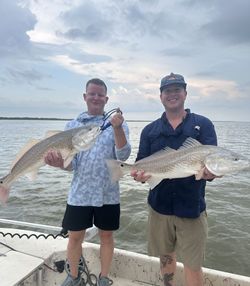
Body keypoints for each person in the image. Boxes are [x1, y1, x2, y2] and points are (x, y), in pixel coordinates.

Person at [131, 73, 218, 286]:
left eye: (177, 90)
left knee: (193, 264)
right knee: (166, 258)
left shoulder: (203, 125)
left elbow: (214, 165)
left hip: (192, 209)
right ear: (161, 96)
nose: (173, 94)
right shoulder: (149, 130)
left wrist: (212, 173)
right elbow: (140, 163)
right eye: (168, 91)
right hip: (159, 207)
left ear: (185, 94)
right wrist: (139, 176)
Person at [44, 78, 131, 286]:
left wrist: (118, 129)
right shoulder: (72, 126)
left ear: (106, 99)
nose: (96, 97)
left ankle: (104, 277)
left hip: (108, 193)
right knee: (74, 237)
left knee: (107, 237)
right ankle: (73, 276)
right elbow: (71, 164)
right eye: (92, 93)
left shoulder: (117, 124)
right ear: (85, 97)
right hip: (80, 193)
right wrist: (58, 164)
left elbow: (124, 155)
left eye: (100, 94)